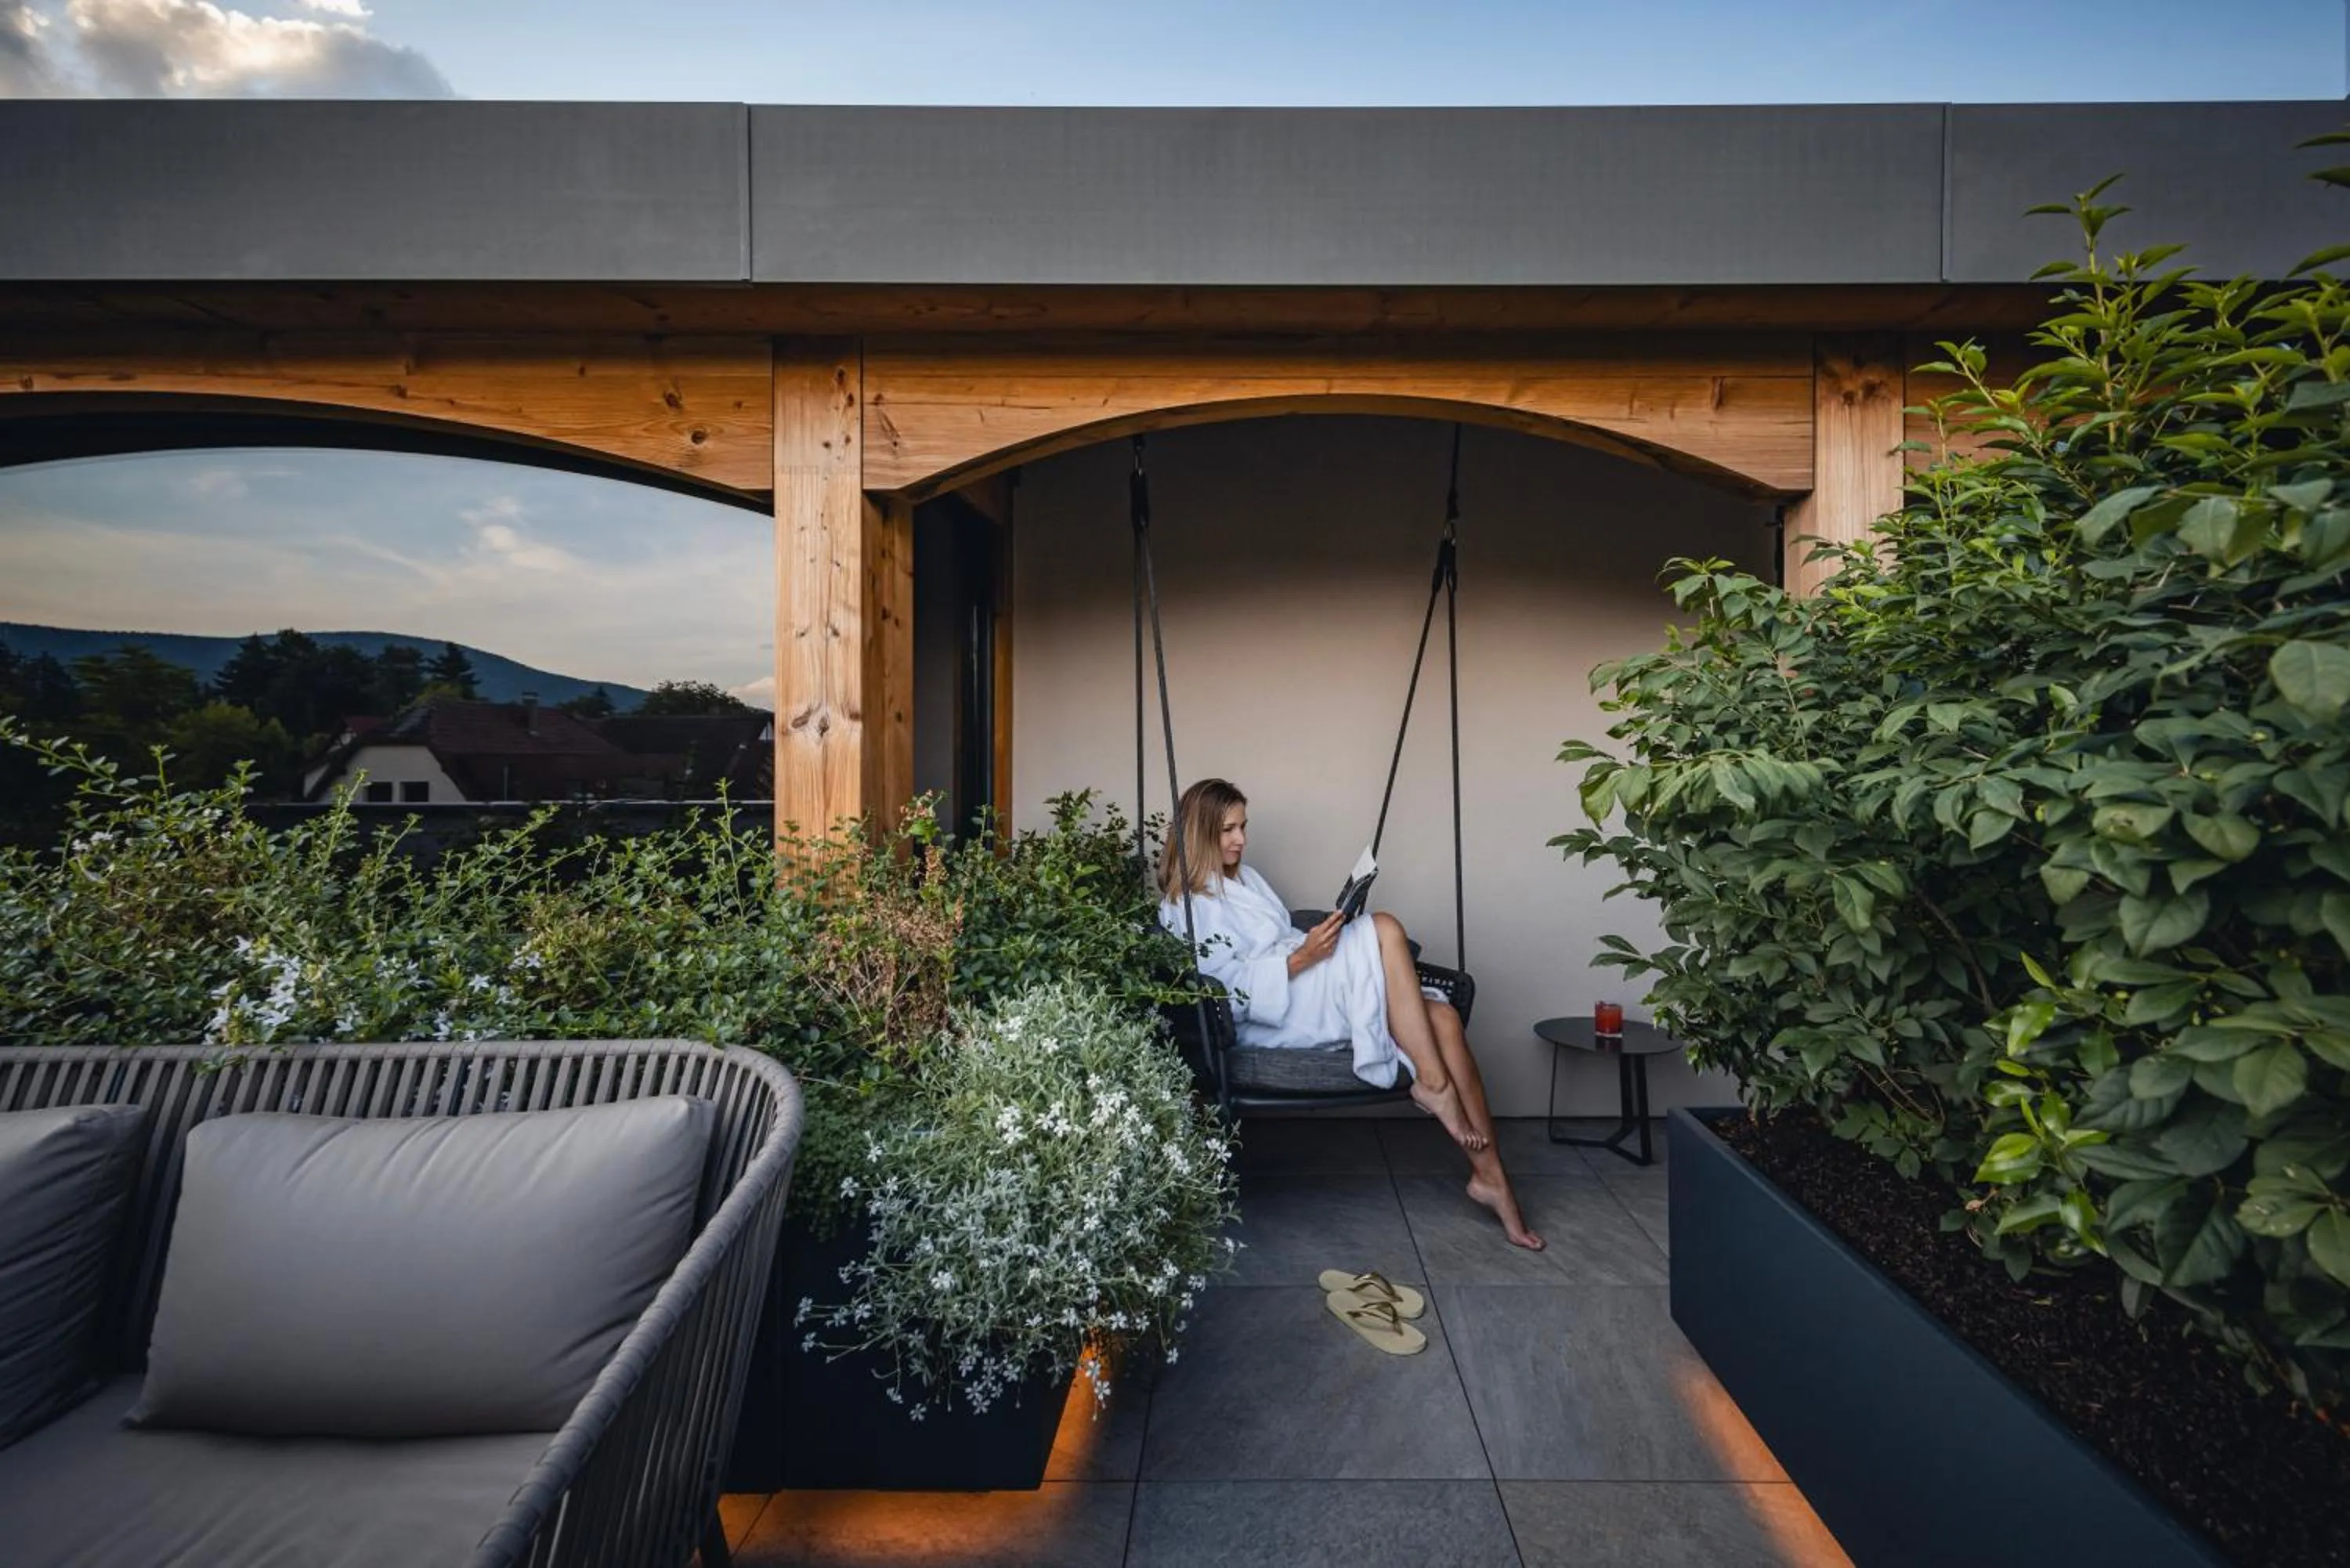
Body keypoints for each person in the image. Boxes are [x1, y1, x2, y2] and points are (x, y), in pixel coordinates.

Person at [1159, 778, 1544, 1251]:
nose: (1241, 840)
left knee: (1443, 1020)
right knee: (1384, 927)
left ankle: (1492, 1180)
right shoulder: (1186, 905)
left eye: (1243, 827)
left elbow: (1278, 938)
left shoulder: (1243, 877)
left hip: (1306, 982)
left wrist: (1312, 945)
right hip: (1280, 1012)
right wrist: (1302, 958)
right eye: (1227, 831)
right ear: (1198, 834)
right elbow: (1221, 992)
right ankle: (1434, 1085)